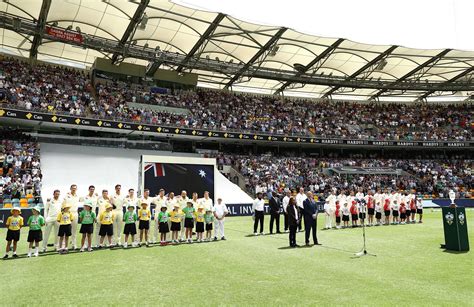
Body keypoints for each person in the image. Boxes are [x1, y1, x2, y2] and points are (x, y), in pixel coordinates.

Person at [62, 184, 80, 250]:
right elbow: (63, 204)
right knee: (65, 230)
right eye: (73, 188)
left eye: (75, 188)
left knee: (74, 230)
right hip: (67, 214)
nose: (74, 189)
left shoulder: (78, 196)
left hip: (75, 213)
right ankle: (64, 245)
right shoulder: (66, 196)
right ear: (70, 188)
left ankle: (74, 244)